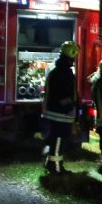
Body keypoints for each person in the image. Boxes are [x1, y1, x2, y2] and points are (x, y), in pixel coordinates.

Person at [42, 40, 80, 174]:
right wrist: (70, 107)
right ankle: (56, 169)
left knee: (55, 140)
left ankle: (49, 164)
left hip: (54, 111)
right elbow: (63, 93)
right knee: (59, 141)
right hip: (60, 114)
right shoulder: (64, 71)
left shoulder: (56, 67)